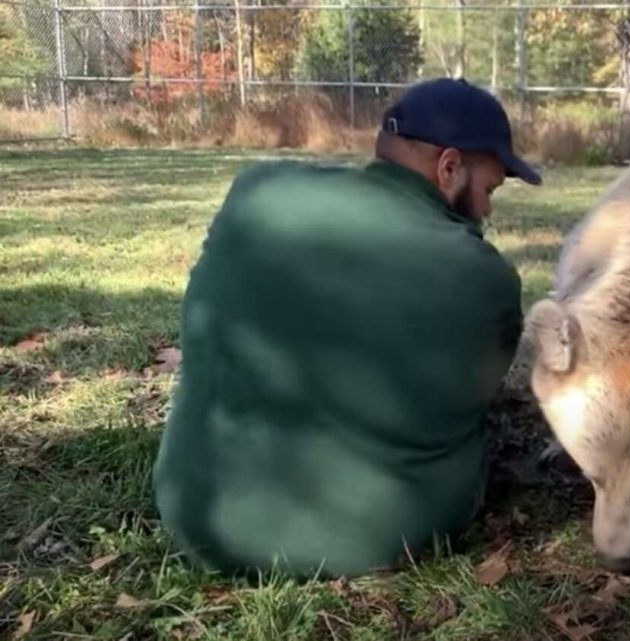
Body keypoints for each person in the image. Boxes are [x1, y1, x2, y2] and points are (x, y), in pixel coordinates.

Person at [151, 77, 541, 580]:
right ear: (449, 168)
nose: (487, 209)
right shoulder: (484, 278)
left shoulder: (258, 191)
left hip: (199, 512)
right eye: (490, 189)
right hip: (371, 538)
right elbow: (476, 400)